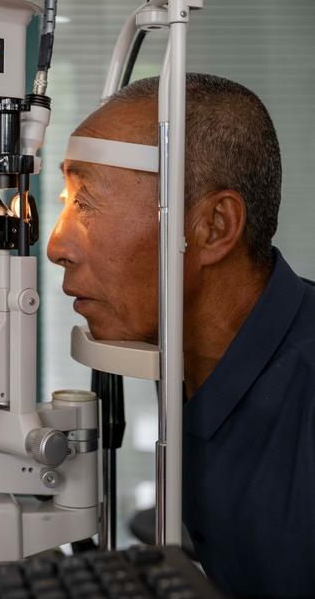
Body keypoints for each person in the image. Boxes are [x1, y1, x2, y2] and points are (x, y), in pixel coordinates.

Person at [47, 73, 315, 596]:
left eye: (87, 203)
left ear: (213, 227)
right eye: (66, 199)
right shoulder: (183, 357)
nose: (57, 245)